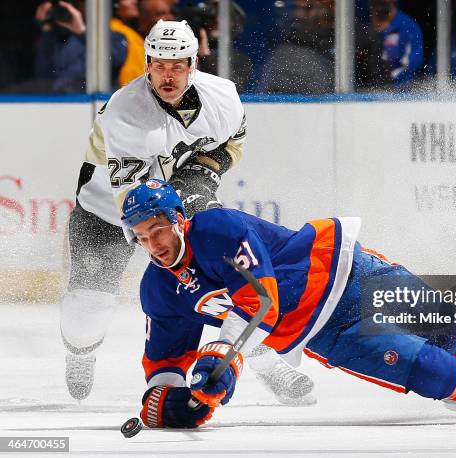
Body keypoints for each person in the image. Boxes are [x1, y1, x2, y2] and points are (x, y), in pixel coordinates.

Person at [121, 179, 456, 429]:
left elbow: (263, 301)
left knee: (443, 327)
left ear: (179, 220)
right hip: (328, 334)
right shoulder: (157, 290)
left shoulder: (217, 228)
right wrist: (173, 402)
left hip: (347, 270)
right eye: (141, 237)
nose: (152, 244)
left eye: (157, 229)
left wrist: (221, 360)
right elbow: (165, 359)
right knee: (431, 373)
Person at [61, 19, 314, 406]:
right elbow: (131, 198)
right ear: (147, 63)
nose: (168, 74)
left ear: (194, 62)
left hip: (180, 192)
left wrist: (201, 172)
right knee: (88, 310)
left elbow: (233, 145)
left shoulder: (224, 97)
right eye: (159, 65)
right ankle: (81, 351)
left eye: (177, 65)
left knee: (221, 273)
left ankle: (263, 363)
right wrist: (170, 242)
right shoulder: (126, 113)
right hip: (105, 209)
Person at [257, 0, 390, 94]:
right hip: (303, 104)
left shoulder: (364, 37)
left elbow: (377, 85)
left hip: (350, 106)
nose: (307, 4)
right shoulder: (291, 35)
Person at [369, 0, 424, 87]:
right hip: (369, 88)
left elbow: (415, 60)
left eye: (382, 3)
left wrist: (392, 76)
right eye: (376, 3)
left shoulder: (408, 26)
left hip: (400, 88)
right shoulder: (367, 26)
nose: (379, 8)